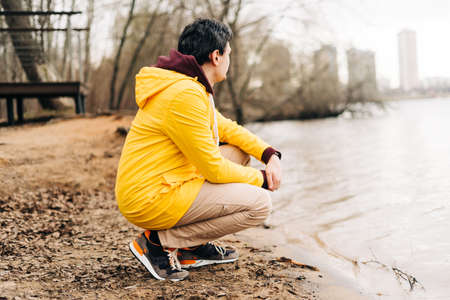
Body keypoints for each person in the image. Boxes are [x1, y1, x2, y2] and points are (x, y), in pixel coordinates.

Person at [115, 18, 282, 282]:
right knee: (260, 205)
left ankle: (190, 248)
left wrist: (269, 153)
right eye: (229, 53)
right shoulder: (184, 94)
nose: (229, 59)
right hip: (150, 196)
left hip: (164, 180)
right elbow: (213, 168)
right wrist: (262, 179)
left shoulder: (188, 86)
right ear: (216, 56)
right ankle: (158, 243)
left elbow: (226, 128)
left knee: (239, 153)